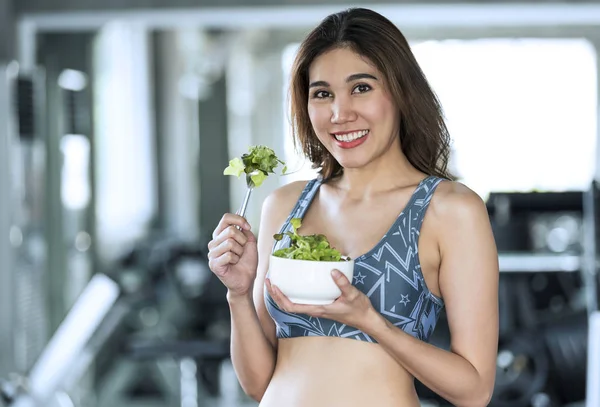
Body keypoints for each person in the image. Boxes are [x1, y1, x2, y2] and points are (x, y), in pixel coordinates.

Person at [207, 7, 499, 407]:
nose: (340, 114)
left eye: (361, 87)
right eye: (322, 93)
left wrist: (371, 322)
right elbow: (259, 384)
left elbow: (475, 390)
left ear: (400, 91)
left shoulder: (449, 210)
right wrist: (238, 295)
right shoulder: (285, 206)